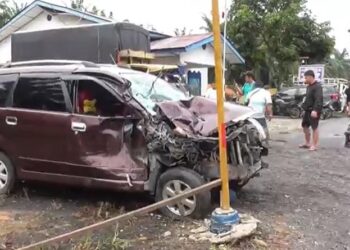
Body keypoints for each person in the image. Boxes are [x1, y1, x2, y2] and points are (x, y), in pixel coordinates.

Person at [300, 70, 323, 151]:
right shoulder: (309, 86)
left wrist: (315, 110)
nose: (305, 79)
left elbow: (318, 99)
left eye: (306, 78)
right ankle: (307, 143)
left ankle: (314, 145)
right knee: (305, 126)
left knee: (314, 128)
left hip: (314, 111)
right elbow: (308, 99)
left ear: (310, 77)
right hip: (307, 110)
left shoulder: (317, 86)